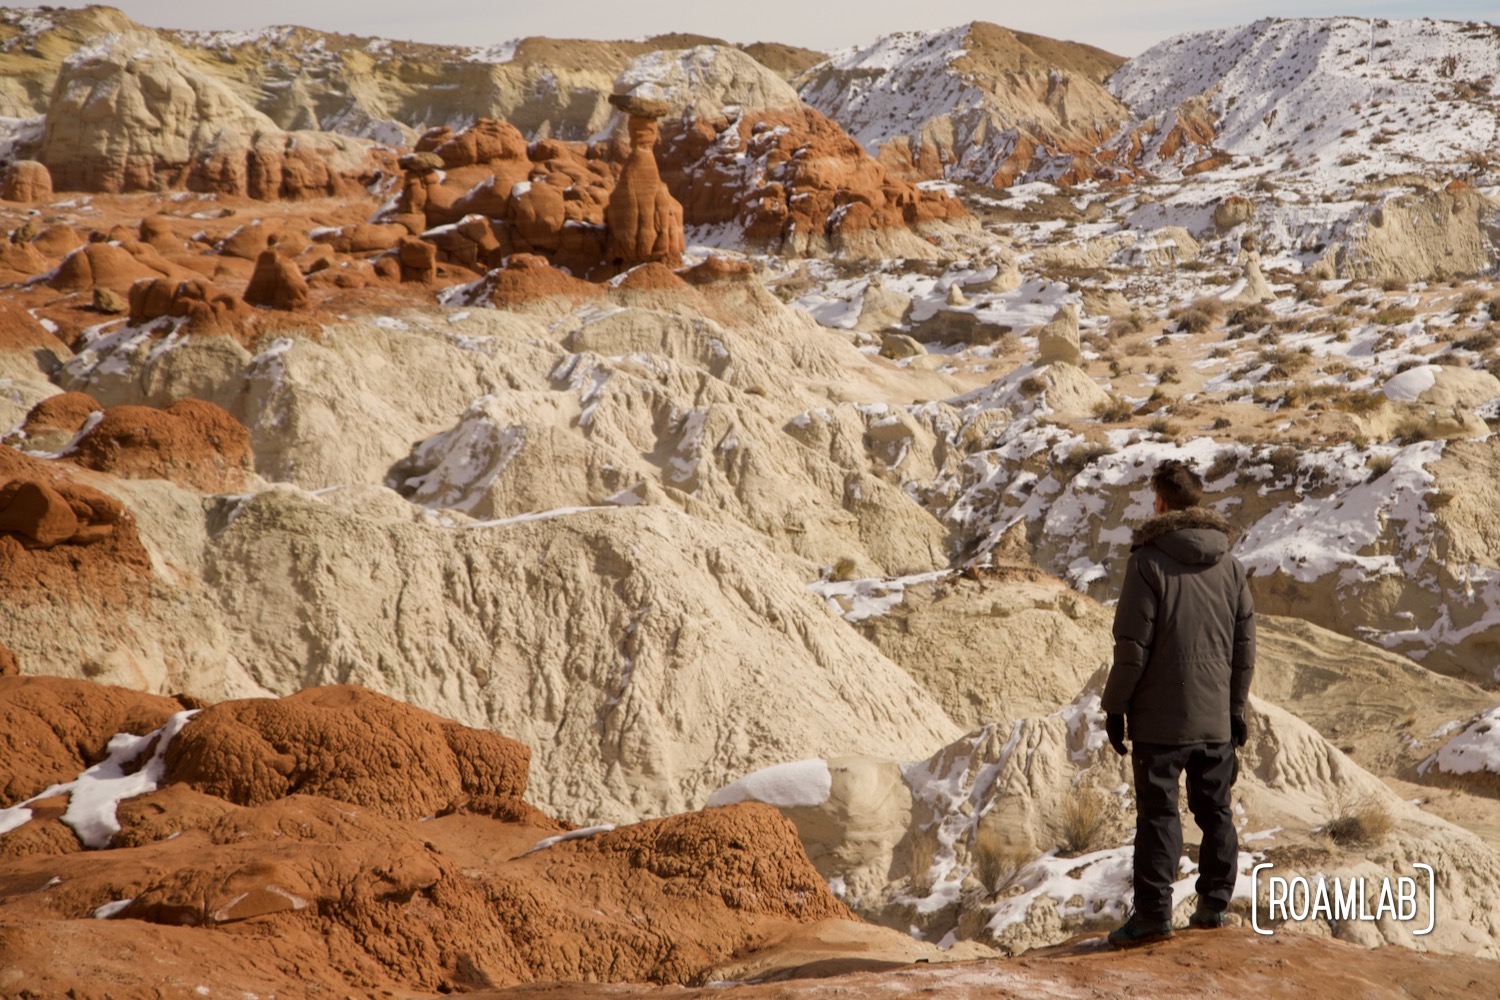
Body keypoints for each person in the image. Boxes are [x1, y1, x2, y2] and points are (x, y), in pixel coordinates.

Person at [1101, 459, 1255, 947]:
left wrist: (1115, 707)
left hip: (1159, 724)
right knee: (1217, 814)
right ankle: (1213, 906)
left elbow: (1132, 648)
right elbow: (1244, 647)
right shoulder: (1230, 565)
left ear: (1161, 503)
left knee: (1159, 816)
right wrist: (1235, 711)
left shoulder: (1146, 562)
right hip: (1214, 722)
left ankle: (1152, 916)